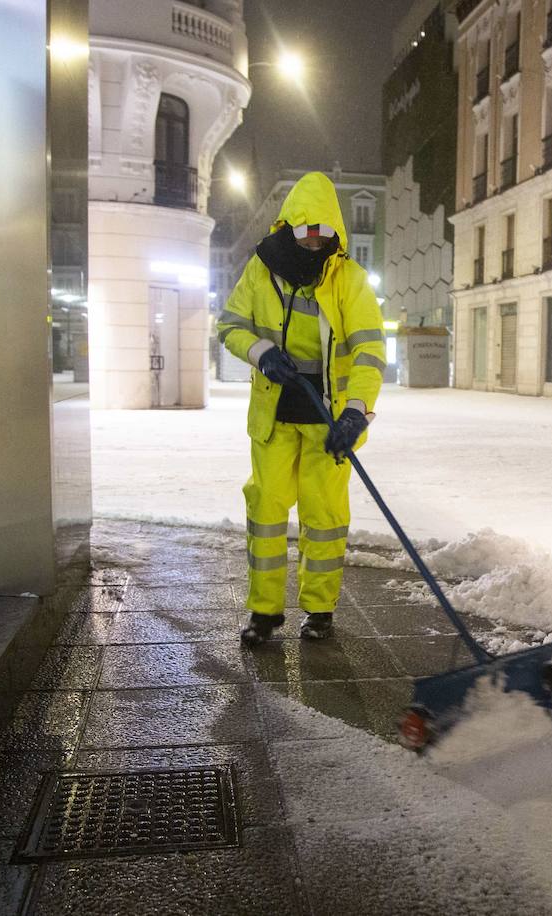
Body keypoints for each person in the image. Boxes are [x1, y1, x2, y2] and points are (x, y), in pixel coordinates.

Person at [216, 171, 386, 645]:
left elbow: (370, 353)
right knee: (267, 511)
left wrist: (355, 411)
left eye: (324, 240)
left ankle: (320, 610)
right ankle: (264, 612)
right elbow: (229, 326)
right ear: (289, 229)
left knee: (324, 516)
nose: (315, 250)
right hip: (274, 418)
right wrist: (262, 354)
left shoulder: (347, 279)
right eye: (307, 239)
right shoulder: (260, 270)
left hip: (327, 421)